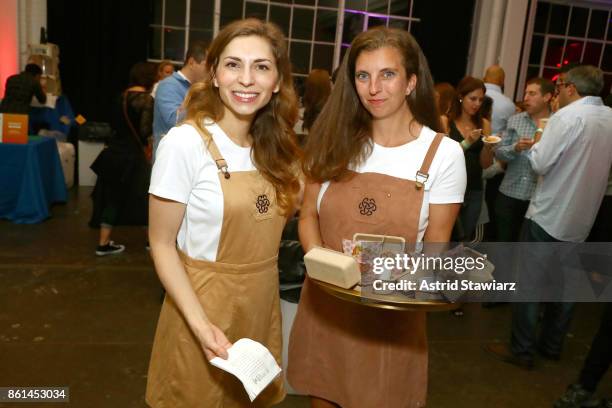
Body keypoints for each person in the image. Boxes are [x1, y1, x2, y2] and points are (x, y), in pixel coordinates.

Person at [287, 27, 466, 408]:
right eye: (363, 76)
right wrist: (324, 267)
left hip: (391, 318)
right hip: (327, 306)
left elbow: (435, 247)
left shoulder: (442, 154)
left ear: (411, 82)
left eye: (388, 74)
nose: (374, 88)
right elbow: (307, 219)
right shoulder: (334, 139)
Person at [145, 19, 301, 407]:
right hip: (202, 308)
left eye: (261, 67)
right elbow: (161, 244)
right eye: (233, 65)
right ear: (214, 74)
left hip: (261, 303)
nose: (246, 79)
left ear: (278, 80)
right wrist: (201, 327)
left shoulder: (277, 148)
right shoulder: (186, 143)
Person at [485, 65, 612, 369]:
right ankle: (552, 346)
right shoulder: (609, 117)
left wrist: (534, 146)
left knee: (530, 284)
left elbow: (540, 163)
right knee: (566, 286)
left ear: (570, 88)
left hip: (549, 213)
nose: (558, 93)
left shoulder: (564, 118)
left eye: (560, 87)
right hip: (583, 217)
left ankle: (522, 350)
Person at [89, 62, 155, 255]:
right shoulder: (146, 100)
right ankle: (151, 242)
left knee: (112, 199)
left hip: (114, 154)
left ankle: (103, 243)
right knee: (145, 199)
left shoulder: (120, 97)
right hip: (133, 156)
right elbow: (144, 132)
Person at [494, 77, 554, 242]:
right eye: (526, 93)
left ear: (547, 97)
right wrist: (515, 148)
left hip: (538, 199)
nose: (526, 98)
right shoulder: (515, 120)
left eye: (532, 93)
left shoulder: (558, 123)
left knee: (527, 249)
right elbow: (499, 153)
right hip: (509, 193)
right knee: (503, 245)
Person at [441, 76, 494, 241]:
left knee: (464, 241)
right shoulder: (446, 121)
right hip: (449, 188)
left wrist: (487, 147)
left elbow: (486, 164)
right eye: (472, 99)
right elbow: (443, 158)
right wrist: (468, 142)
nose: (477, 104)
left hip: (473, 189)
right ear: (461, 97)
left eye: (480, 100)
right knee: (444, 237)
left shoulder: (484, 124)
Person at [152, 40, 208, 156]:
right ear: (192, 62)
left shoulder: (198, 86)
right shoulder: (168, 85)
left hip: (190, 154)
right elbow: (174, 120)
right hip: (170, 157)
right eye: (207, 65)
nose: (211, 70)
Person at [483, 65, 516, 135]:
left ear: (484, 78)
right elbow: (510, 132)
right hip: (495, 144)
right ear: (502, 81)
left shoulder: (472, 97)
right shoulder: (509, 104)